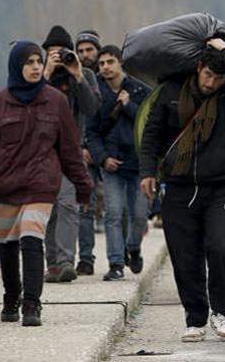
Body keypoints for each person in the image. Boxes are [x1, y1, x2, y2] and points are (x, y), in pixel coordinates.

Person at [0, 41, 93, 327]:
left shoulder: (56, 102)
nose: (36, 67)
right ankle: (11, 296)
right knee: (7, 246)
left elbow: (70, 149)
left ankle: (32, 304)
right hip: (3, 187)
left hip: (40, 185)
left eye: (39, 61)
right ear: (16, 67)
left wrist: (82, 185)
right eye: (29, 62)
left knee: (32, 240)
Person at [139, 38, 225, 342]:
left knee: (220, 248)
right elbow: (151, 135)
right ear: (198, 68)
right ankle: (195, 318)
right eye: (208, 75)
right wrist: (147, 172)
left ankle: (222, 312)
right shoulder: (171, 92)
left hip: (222, 186)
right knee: (184, 256)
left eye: (218, 78)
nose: (212, 83)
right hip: (178, 187)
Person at [41, 25, 101, 283]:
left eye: (62, 53)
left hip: (69, 150)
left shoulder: (84, 73)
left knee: (67, 204)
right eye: (52, 53)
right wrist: (45, 73)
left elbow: (92, 108)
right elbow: (27, 103)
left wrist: (77, 75)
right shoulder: (38, 75)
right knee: (48, 209)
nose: (58, 58)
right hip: (41, 152)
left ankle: (66, 261)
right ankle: (52, 263)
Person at [86, 45, 151, 281]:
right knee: (112, 214)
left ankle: (133, 248)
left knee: (140, 216)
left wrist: (128, 105)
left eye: (110, 62)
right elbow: (91, 132)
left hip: (140, 164)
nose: (105, 67)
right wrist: (103, 158)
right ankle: (115, 263)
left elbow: (150, 124)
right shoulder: (96, 94)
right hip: (112, 164)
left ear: (120, 63)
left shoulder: (140, 90)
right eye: (101, 63)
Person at [75, 28, 102, 275]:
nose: (84, 55)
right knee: (85, 207)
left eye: (89, 50)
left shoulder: (108, 76)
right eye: (80, 50)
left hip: (110, 152)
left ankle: (126, 252)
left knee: (121, 211)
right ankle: (85, 258)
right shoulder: (76, 78)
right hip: (83, 153)